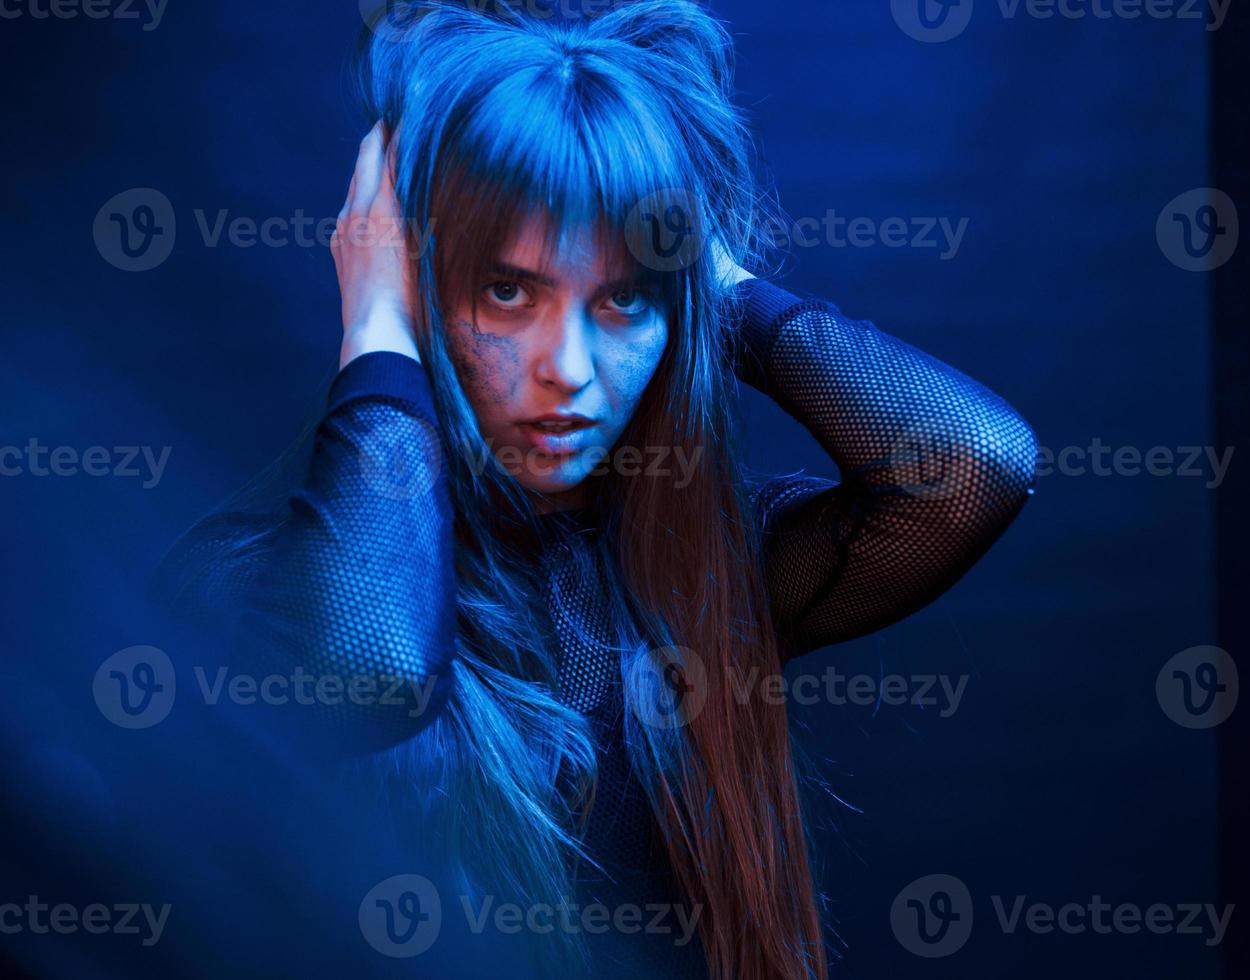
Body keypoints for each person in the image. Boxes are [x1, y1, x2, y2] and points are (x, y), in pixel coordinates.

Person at [151, 2, 1039, 976]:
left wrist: (700, 276)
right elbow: (378, 671)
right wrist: (373, 322)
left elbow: (971, 466)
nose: (566, 367)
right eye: (507, 290)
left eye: (621, 299)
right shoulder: (258, 585)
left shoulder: (705, 576)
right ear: (420, 284)